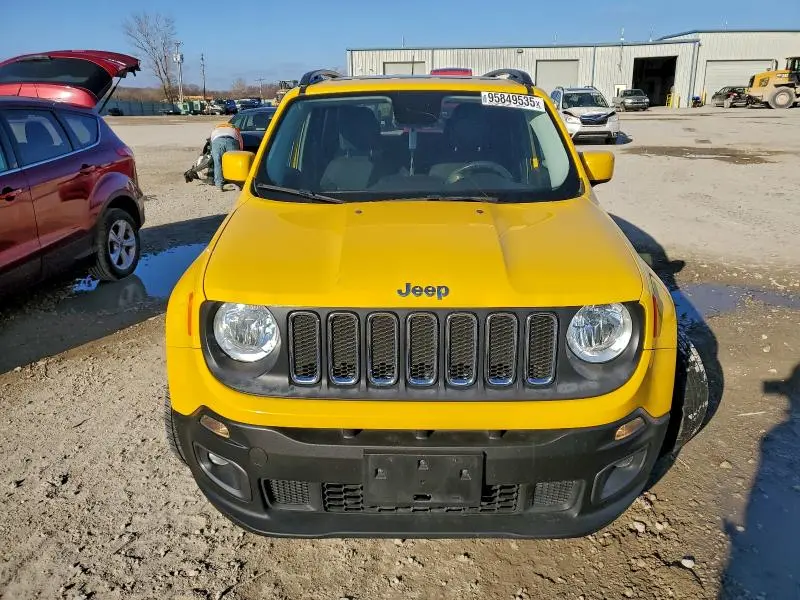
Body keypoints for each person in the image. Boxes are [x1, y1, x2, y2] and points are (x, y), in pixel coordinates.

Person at [209, 122, 243, 190]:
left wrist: (212, 153)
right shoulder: (234, 129)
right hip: (231, 141)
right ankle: (235, 184)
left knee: (217, 163)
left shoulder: (215, 130)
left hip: (217, 141)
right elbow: (240, 142)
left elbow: (212, 143)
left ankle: (219, 185)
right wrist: (240, 152)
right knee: (233, 163)